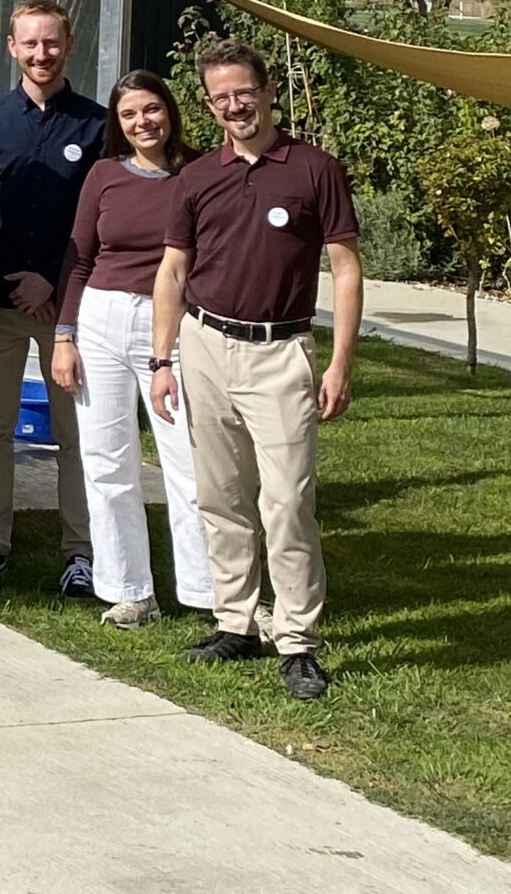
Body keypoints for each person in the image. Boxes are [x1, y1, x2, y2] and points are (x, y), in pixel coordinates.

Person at [151, 39, 360, 700]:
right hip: (205, 344)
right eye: (221, 97)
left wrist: (340, 363)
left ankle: (296, 638)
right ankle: (235, 622)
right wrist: (162, 360)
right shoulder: (197, 178)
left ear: (268, 92)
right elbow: (173, 271)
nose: (234, 106)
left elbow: (346, 269)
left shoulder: (314, 169)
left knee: (289, 501)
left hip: (281, 353)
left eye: (244, 92)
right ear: (208, 105)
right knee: (219, 495)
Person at [0, 0, 104, 596]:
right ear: (10, 47)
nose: (41, 54)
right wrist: (19, 275)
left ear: (68, 45)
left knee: (76, 432)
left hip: (70, 305)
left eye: (51, 43)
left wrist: (51, 276)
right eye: (30, 43)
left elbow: (98, 218)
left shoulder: (96, 126)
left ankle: (81, 552)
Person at [55, 70, 212, 629]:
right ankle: (128, 589)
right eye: (129, 114)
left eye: (151, 109)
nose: (142, 122)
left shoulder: (200, 172)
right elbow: (78, 257)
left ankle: (208, 590)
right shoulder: (102, 175)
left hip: (171, 322)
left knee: (189, 461)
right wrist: (64, 335)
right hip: (100, 318)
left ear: (168, 111)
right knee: (106, 461)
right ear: (117, 124)